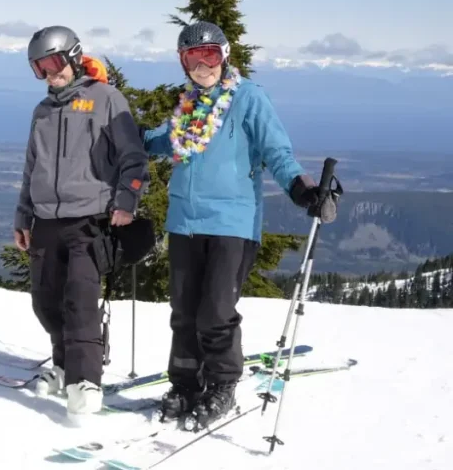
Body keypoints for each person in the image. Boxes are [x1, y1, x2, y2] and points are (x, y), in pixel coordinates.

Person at [141, 21, 336, 428]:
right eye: (192, 58)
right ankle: (185, 384)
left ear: (225, 55)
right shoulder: (190, 105)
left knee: (214, 311)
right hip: (184, 222)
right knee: (184, 312)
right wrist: (127, 136)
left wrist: (303, 189)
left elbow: (277, 151)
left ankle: (222, 384)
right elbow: (163, 140)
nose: (201, 65)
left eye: (209, 55)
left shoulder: (248, 98)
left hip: (232, 222)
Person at [13, 25, 150, 415]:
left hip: (89, 220)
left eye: (54, 62)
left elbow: (133, 157)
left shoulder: (106, 98)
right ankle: (61, 364)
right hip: (45, 221)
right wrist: (23, 215)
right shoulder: (42, 111)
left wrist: (127, 199)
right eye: (39, 68)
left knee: (80, 302)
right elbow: (31, 168)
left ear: (74, 57)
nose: (49, 73)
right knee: (45, 302)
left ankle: (85, 380)